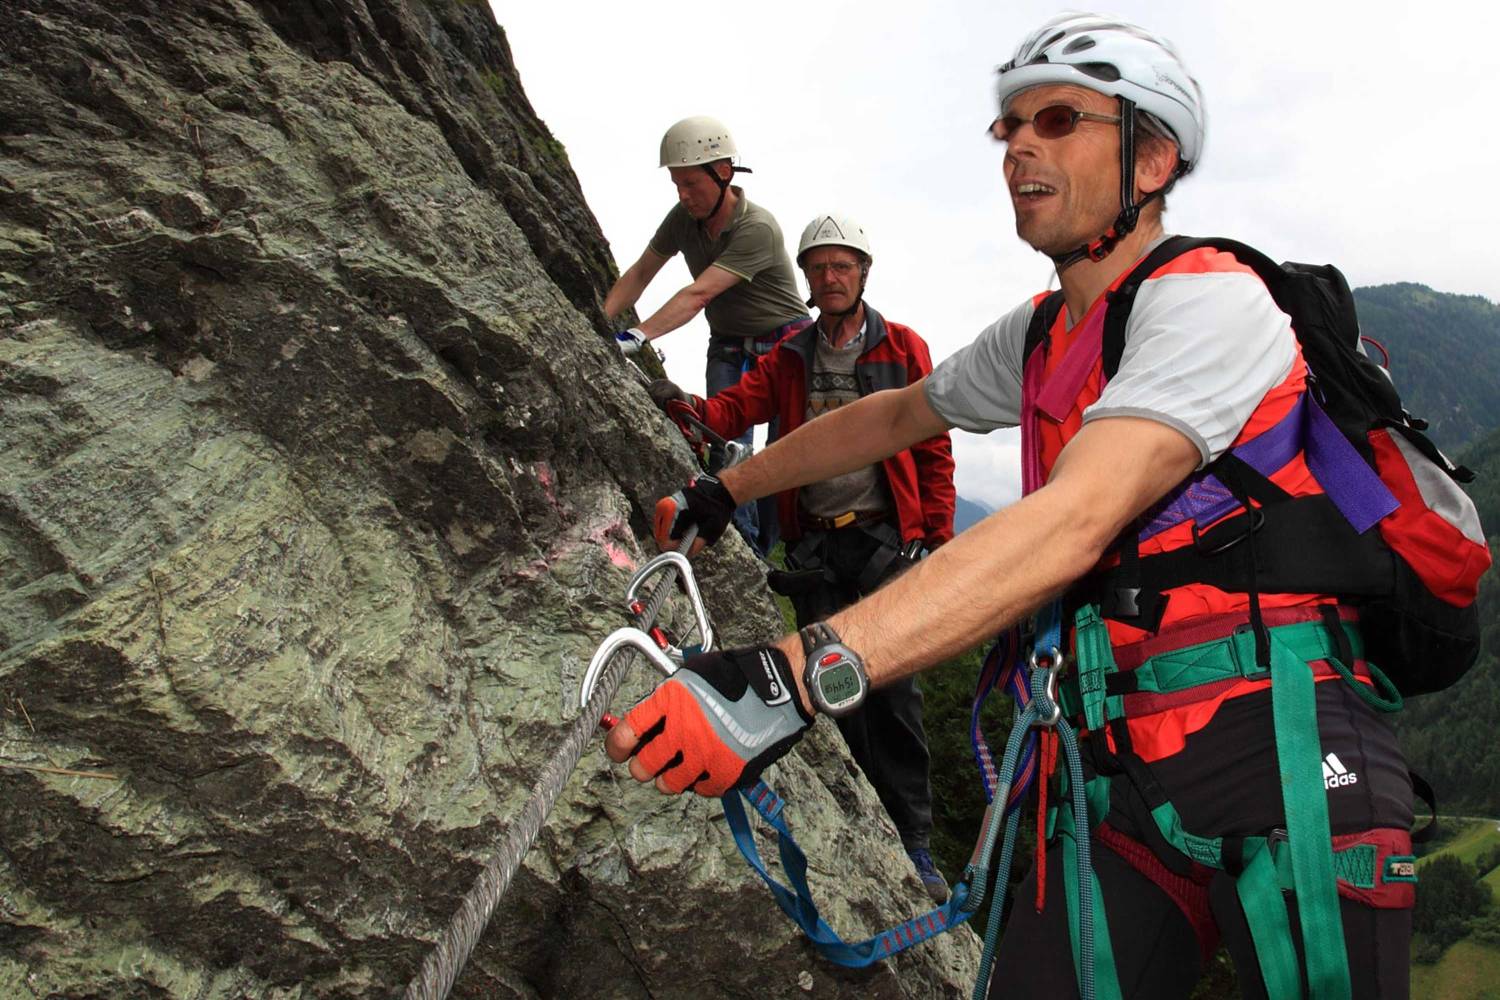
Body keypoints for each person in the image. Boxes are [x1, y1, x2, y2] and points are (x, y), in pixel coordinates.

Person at [606, 13, 1427, 1000]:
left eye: (1060, 119)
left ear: (1154, 158)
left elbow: (1077, 518)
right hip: (1112, 766)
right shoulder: (1044, 334)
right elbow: (896, 413)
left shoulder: (1213, 303)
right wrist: (724, 485)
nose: (1021, 145)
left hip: (1288, 748)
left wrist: (791, 675)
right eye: (1011, 126)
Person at [647, 212, 956, 902]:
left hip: (884, 541)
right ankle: (868, 830)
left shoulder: (903, 347)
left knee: (896, 695)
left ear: (863, 273)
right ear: (808, 280)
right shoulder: (792, 355)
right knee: (831, 690)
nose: (831, 276)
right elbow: (734, 410)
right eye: (819, 267)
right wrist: (681, 404)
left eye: (843, 265)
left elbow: (932, 446)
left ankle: (916, 843)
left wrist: (933, 538)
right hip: (818, 545)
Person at [602, 115, 807, 555]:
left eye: (691, 183)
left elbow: (699, 293)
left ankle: (767, 547)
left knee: (782, 454)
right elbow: (640, 272)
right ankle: (744, 544)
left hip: (787, 346)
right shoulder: (683, 219)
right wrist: (600, 323)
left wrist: (638, 334)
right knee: (725, 447)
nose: (683, 195)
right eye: (676, 184)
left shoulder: (758, 228)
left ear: (724, 173)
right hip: (730, 345)